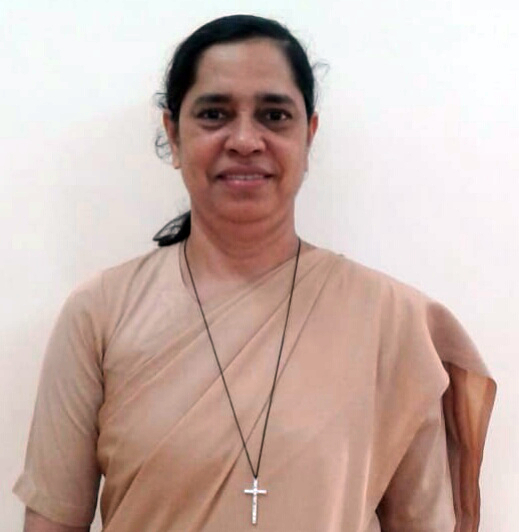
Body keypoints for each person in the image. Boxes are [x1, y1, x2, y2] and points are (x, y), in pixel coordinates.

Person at [14, 14, 496, 532]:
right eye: (214, 114)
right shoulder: (100, 314)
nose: (245, 140)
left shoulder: (391, 322)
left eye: (274, 115)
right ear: (173, 135)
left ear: (309, 135)